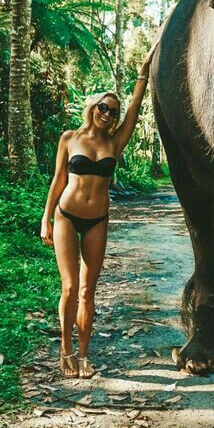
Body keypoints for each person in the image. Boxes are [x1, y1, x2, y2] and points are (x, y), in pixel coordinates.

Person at [41, 54, 153, 378]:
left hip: (98, 221)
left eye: (113, 111)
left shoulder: (115, 143)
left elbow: (135, 109)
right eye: (103, 107)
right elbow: (58, 180)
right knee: (69, 288)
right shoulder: (69, 138)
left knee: (89, 291)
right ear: (92, 108)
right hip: (66, 215)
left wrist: (142, 75)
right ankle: (65, 351)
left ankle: (85, 354)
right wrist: (45, 218)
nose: (108, 114)